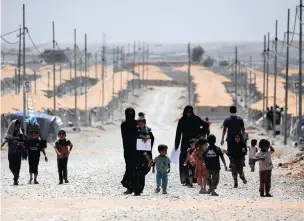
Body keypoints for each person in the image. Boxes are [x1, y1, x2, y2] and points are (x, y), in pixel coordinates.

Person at [175, 105, 209, 185]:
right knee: (184, 161)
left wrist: (201, 135)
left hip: (194, 143)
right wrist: (176, 144)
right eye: (187, 112)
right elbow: (178, 133)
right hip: (184, 143)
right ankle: (184, 179)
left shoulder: (196, 119)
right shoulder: (182, 120)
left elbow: (206, 125)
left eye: (190, 112)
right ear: (185, 112)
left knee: (195, 159)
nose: (189, 113)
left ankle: (194, 178)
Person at [133, 115, 155, 196]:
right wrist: (142, 137)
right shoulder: (135, 130)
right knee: (137, 171)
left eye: (142, 123)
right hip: (137, 154)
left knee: (145, 170)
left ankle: (140, 187)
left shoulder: (148, 130)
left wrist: (148, 137)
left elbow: (152, 138)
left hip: (146, 155)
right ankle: (137, 189)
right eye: (139, 123)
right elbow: (133, 138)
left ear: (144, 123)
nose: (140, 124)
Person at [3, 119, 27, 185]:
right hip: (11, 153)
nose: (17, 127)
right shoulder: (9, 134)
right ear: (13, 126)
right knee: (11, 166)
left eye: (18, 125)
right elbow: (5, 140)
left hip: (18, 152)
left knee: (17, 166)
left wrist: (22, 145)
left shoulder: (21, 134)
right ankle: (15, 175)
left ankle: (15, 180)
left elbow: (25, 141)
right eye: (16, 125)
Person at [121, 107, 138, 194]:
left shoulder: (136, 124)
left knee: (134, 169)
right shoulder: (124, 125)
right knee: (130, 168)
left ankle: (132, 187)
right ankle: (129, 186)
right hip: (128, 150)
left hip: (135, 150)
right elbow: (125, 138)